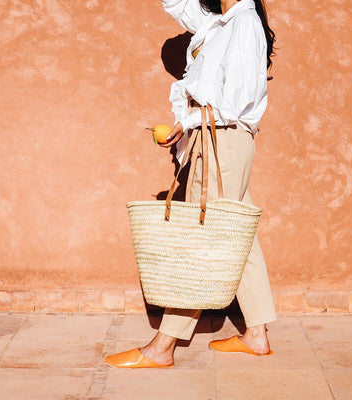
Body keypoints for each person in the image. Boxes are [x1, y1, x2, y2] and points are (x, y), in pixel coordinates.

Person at [105, 0, 277, 369]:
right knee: (237, 234)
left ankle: (163, 346)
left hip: (222, 138)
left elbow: (237, 98)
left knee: (203, 238)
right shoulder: (219, 21)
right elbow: (176, 3)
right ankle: (257, 335)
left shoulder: (244, 22)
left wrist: (188, 121)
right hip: (217, 139)